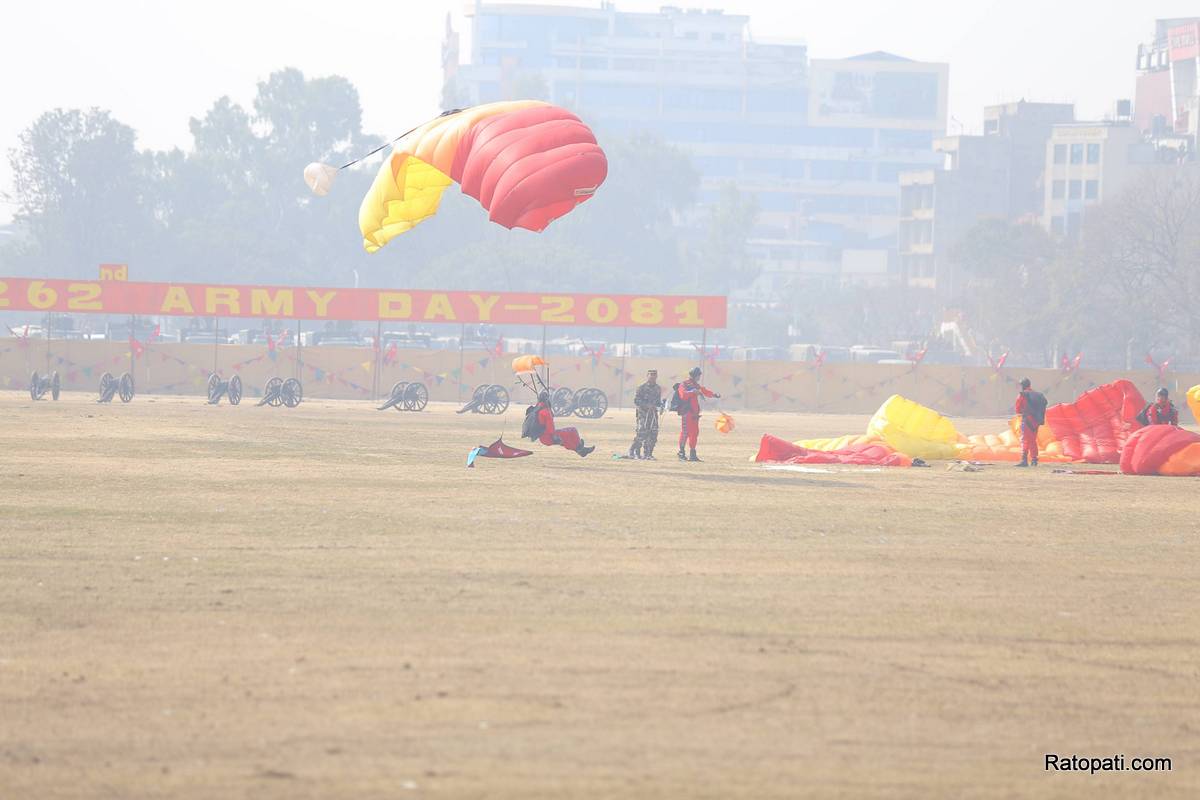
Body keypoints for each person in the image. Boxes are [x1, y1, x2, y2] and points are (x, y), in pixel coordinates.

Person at [531, 390, 595, 457]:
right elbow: (550, 427)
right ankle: (579, 448)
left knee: (567, 437)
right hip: (549, 437)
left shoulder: (537, 409)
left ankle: (580, 449)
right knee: (572, 431)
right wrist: (554, 436)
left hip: (543, 438)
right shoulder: (546, 412)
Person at [676, 366, 719, 462]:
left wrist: (714, 395)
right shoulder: (684, 384)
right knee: (685, 433)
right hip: (687, 413)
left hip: (695, 414)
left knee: (694, 434)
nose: (700, 377)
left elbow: (705, 391)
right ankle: (681, 452)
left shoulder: (696, 385)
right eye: (699, 375)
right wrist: (692, 392)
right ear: (695, 375)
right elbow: (683, 395)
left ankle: (692, 454)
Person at [629, 369, 664, 459]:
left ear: (656, 376)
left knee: (653, 434)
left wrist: (661, 405)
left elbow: (657, 402)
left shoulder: (658, 388)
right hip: (643, 414)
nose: (652, 377)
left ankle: (648, 454)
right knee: (641, 433)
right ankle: (634, 451)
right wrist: (646, 405)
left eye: (654, 375)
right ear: (647, 376)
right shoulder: (641, 387)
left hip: (653, 415)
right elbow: (636, 400)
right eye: (651, 375)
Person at [1014, 377, 1047, 467]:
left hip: (1027, 420)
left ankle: (1024, 460)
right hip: (1036, 421)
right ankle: (1034, 459)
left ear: (1023, 386)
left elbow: (1017, 409)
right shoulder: (1037, 395)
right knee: (1032, 440)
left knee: (1024, 439)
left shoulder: (1023, 395)